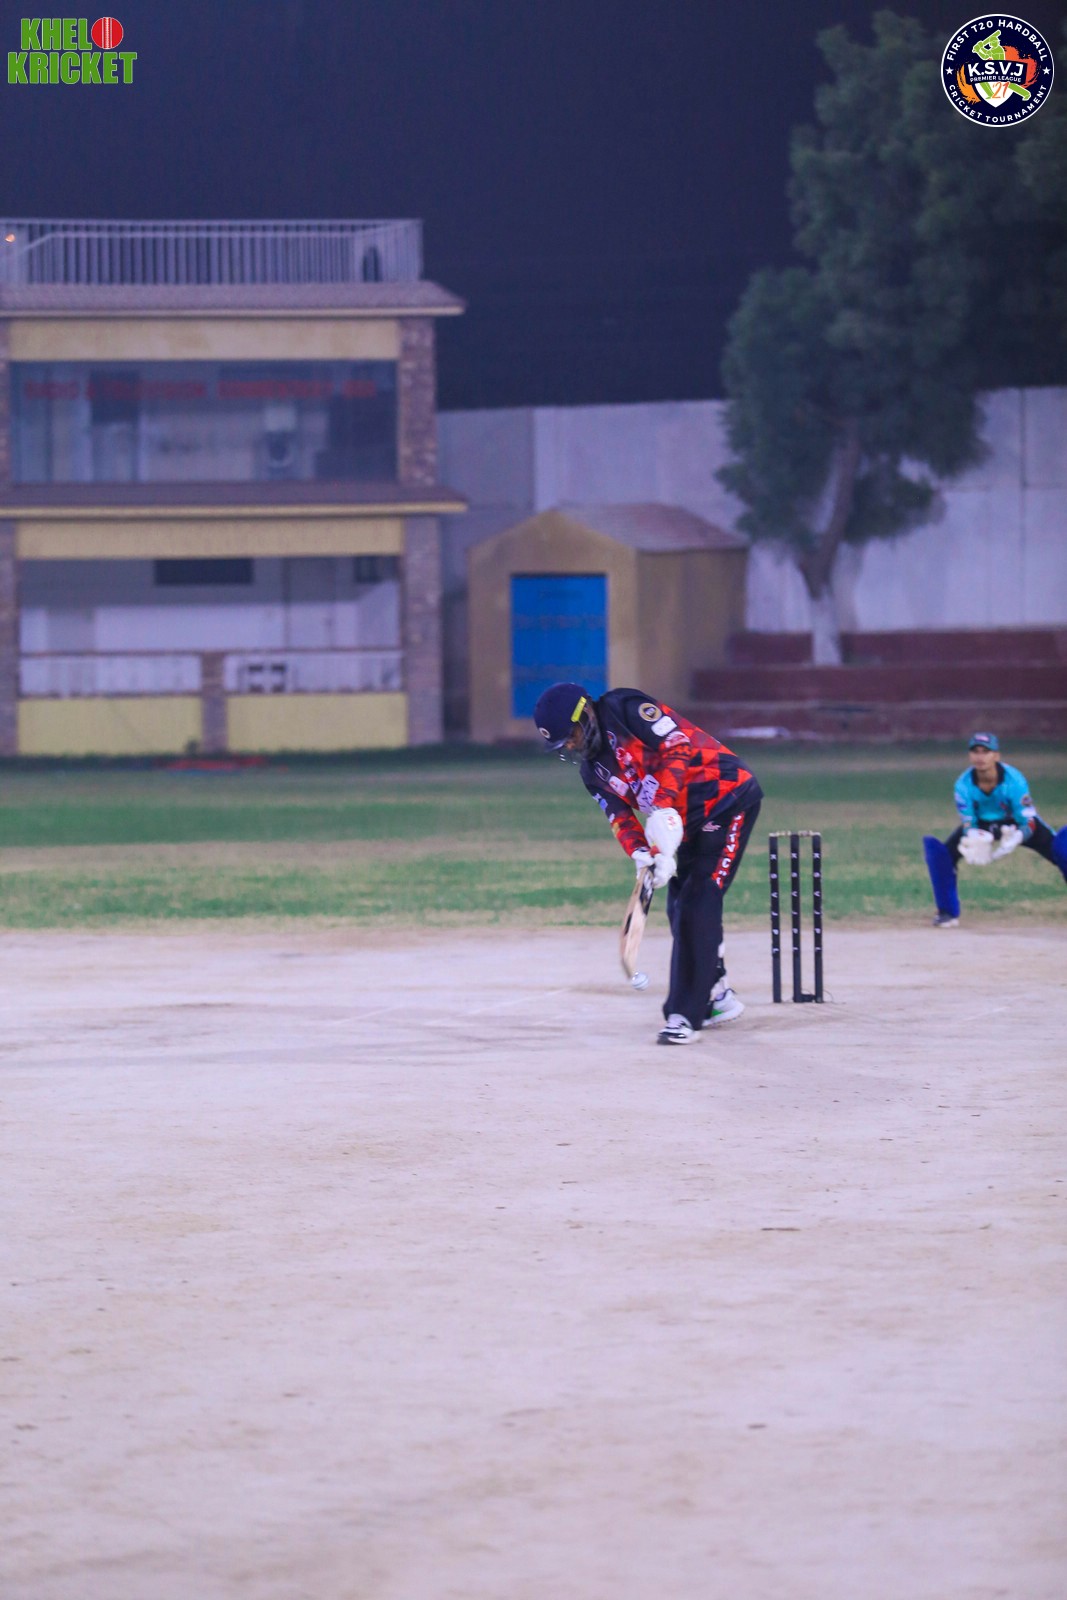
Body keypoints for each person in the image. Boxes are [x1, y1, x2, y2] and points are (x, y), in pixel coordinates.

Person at [532, 681, 763, 1045]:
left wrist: (664, 806)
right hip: (683, 823)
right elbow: (620, 818)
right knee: (679, 906)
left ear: (585, 714)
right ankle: (718, 996)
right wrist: (642, 853)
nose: (572, 746)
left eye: (571, 736)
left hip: (726, 798)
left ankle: (684, 1015)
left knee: (699, 898)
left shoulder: (623, 708)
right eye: (564, 744)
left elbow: (677, 744)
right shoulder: (593, 773)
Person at [923, 731, 1067, 927]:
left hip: (1016, 823)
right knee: (943, 855)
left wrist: (1019, 836)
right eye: (976, 752)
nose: (980, 757)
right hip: (983, 824)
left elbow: (1028, 819)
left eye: (986, 752)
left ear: (996, 756)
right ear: (970, 756)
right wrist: (973, 835)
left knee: (1060, 849)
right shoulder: (963, 784)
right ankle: (946, 912)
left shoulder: (1014, 779)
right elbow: (968, 821)